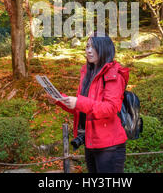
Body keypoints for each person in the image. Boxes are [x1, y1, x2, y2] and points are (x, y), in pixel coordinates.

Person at [50, 31, 129, 173]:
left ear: (104, 48)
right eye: (87, 47)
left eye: (93, 47)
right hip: (91, 142)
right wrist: (59, 100)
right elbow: (81, 109)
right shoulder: (88, 73)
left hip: (109, 146)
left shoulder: (113, 74)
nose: (89, 50)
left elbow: (111, 108)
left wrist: (78, 102)